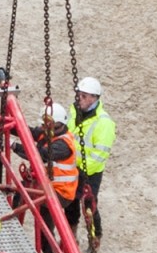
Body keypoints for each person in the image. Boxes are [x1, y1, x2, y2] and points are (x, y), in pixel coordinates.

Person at [72, 76, 117, 243]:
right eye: (79, 95)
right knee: (70, 202)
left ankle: (95, 239)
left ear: (94, 98)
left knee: (89, 206)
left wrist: (77, 166)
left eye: (84, 96)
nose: (79, 99)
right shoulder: (74, 111)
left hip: (90, 171)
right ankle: (71, 237)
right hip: (73, 166)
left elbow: (98, 157)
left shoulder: (104, 123)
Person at [34, 99, 80, 232]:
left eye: (45, 124)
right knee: (45, 231)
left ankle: (12, 225)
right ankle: (49, 251)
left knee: (22, 194)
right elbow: (31, 132)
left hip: (61, 193)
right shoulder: (51, 133)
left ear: (55, 125)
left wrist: (14, 145)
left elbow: (40, 154)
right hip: (51, 188)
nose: (42, 127)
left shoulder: (63, 145)